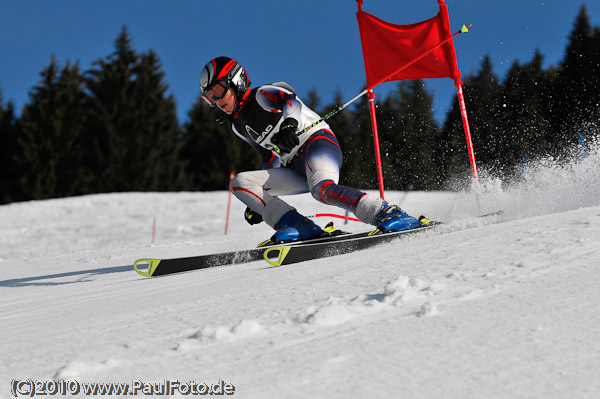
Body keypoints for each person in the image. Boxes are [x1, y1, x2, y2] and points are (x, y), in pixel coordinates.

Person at [199, 56, 425, 245]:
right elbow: (268, 157)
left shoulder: (261, 95)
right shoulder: (238, 127)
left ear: (236, 81)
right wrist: (260, 201)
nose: (216, 100)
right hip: (293, 166)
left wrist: (289, 125)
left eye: (218, 91)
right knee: (241, 183)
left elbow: (291, 100)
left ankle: (386, 213)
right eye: (209, 96)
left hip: (316, 143)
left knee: (323, 190)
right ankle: (297, 225)